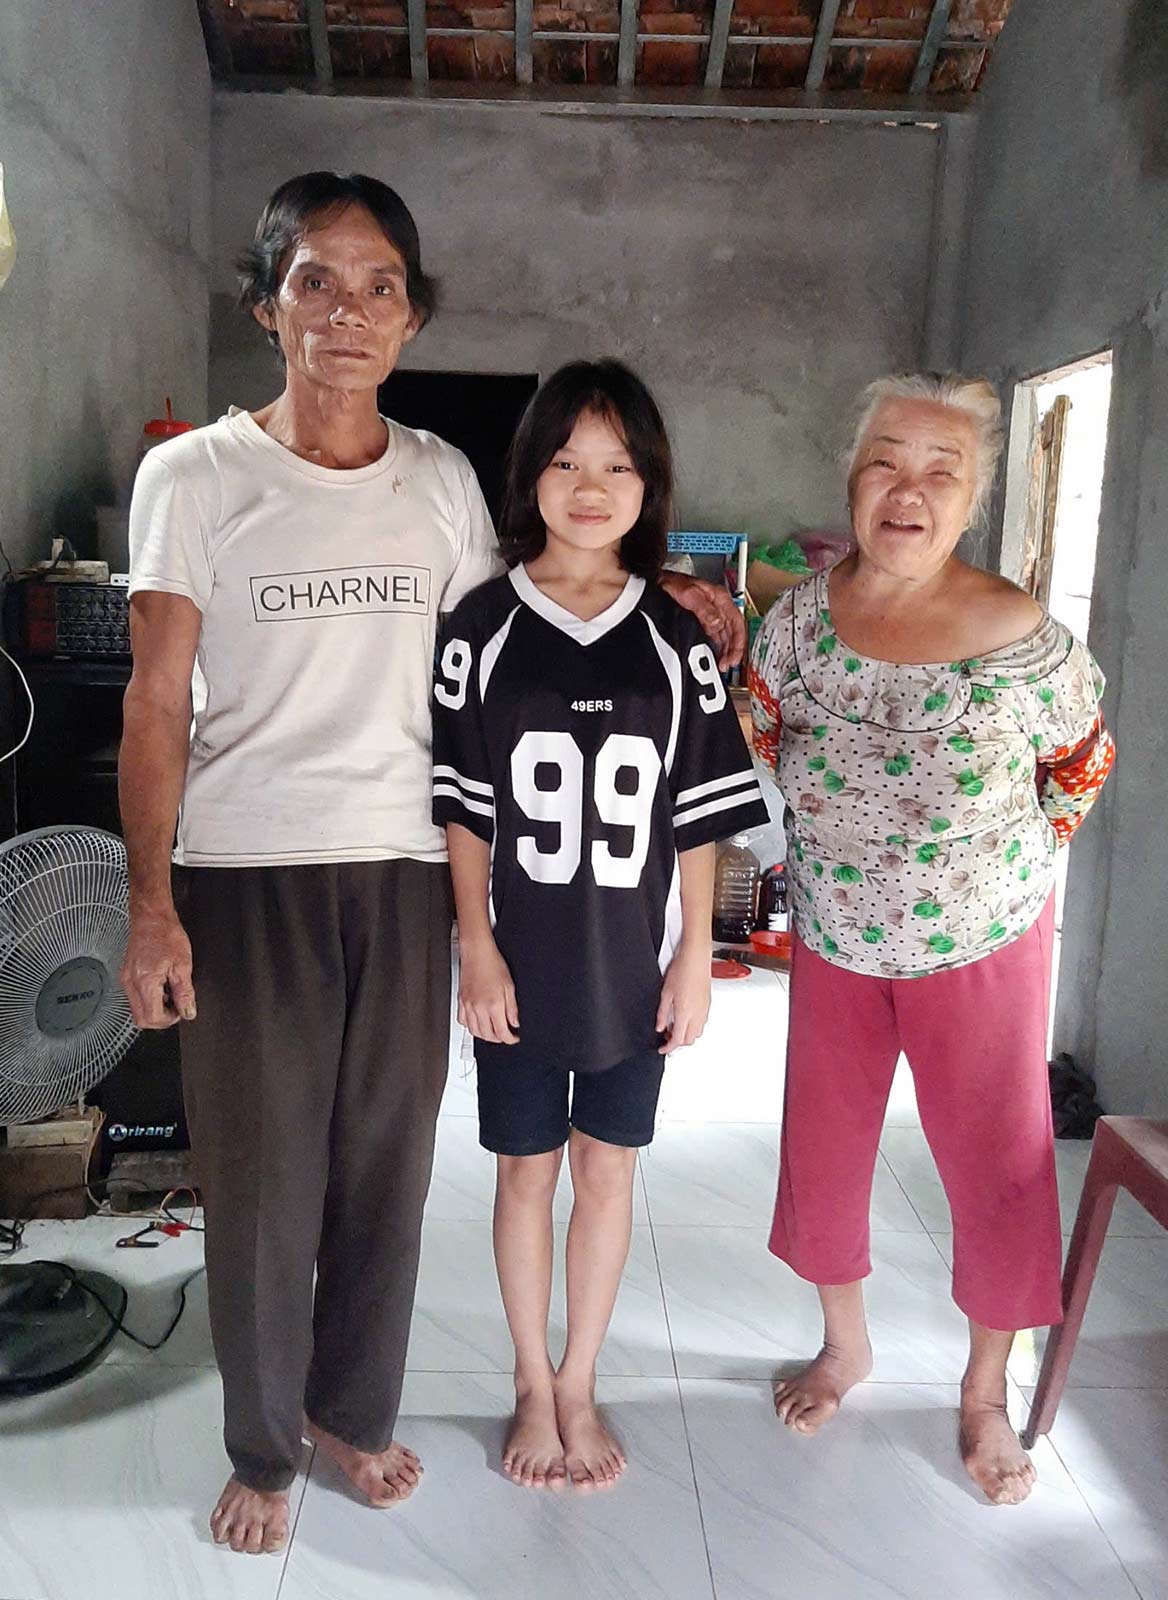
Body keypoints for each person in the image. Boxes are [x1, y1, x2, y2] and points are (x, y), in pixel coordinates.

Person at [117, 174, 743, 1555]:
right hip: (251, 867)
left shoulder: (443, 479)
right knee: (266, 1177)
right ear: (267, 302)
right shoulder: (196, 476)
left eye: (380, 284)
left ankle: (350, 1408)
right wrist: (149, 902)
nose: (349, 312)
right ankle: (265, 1447)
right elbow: (155, 698)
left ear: (413, 312)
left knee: (385, 1169)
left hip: (407, 869)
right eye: (317, 282)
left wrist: (663, 597)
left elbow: (521, 618)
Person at [748, 372, 1114, 1506]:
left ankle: (983, 1390)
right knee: (825, 1147)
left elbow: (1081, 768)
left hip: (984, 945)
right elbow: (759, 726)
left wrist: (978, 874)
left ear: (974, 499)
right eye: (884, 464)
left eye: (939, 471)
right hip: (836, 937)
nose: (908, 492)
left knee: (999, 1166)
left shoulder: (1022, 639)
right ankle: (845, 1344)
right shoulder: (800, 621)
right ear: (852, 483)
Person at [432, 360, 767, 1491]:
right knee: (524, 1173)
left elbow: (697, 816)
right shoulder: (479, 624)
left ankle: (581, 1377)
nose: (590, 485)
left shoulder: (678, 640)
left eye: (617, 463)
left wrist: (697, 957)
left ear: (649, 483)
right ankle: (531, 1379)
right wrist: (474, 945)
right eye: (567, 459)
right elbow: (464, 809)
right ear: (530, 475)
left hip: (630, 961)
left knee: (608, 1170)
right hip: (517, 966)